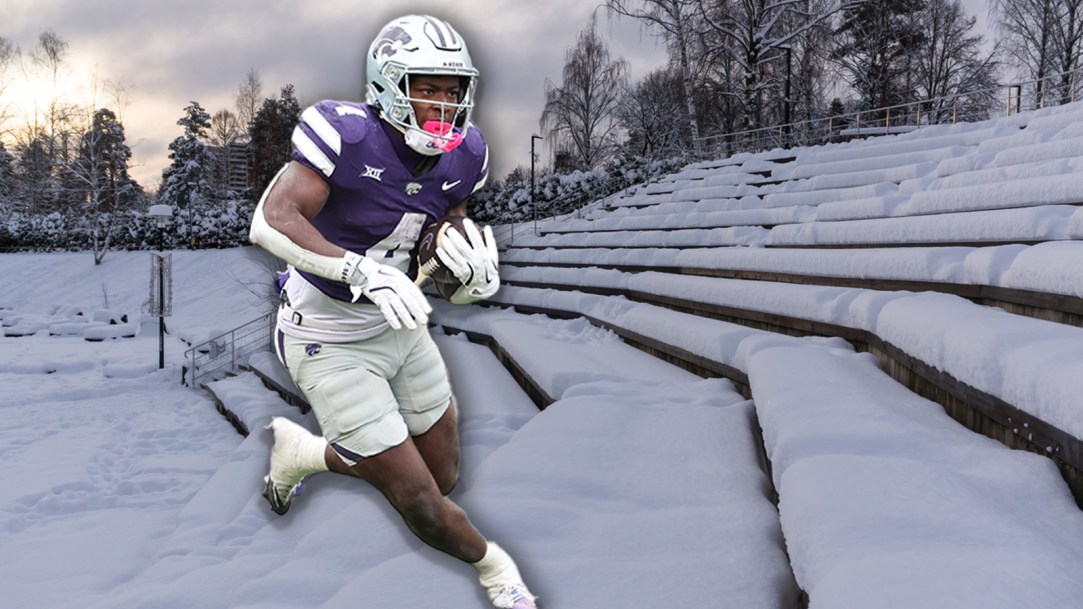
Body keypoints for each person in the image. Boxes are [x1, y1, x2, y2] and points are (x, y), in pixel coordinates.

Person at [248, 14, 537, 609]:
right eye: (426, 86)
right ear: (388, 85)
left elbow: (441, 245)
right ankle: (500, 574)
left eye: (451, 89)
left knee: (445, 477)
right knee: (422, 502)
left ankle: (304, 454)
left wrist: (467, 282)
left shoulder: (466, 156)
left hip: (400, 327)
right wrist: (357, 269)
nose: (442, 102)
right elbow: (271, 220)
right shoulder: (347, 135)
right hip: (326, 333)